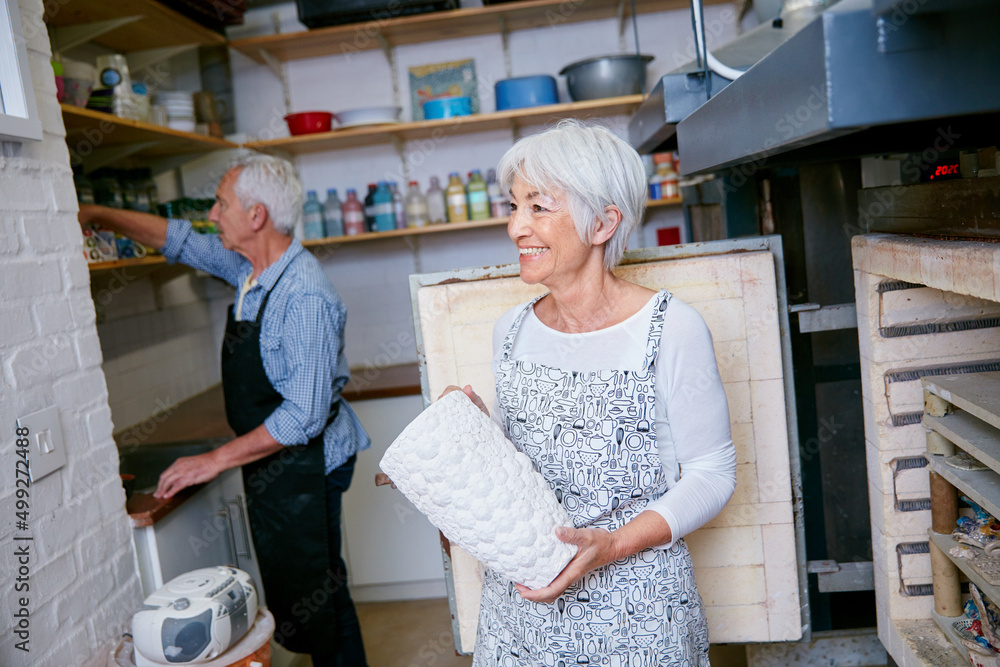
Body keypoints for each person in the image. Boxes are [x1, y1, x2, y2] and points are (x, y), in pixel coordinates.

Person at [449, 120, 737, 665]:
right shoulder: (510, 331)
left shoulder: (670, 327)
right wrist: (466, 440)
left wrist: (614, 544)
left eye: (538, 207)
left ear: (604, 223)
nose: (516, 228)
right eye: (513, 207)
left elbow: (714, 473)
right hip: (523, 616)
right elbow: (520, 477)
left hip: (639, 614)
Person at [78, 155, 370, 667]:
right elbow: (182, 241)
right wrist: (97, 214)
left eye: (221, 203)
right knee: (303, 591)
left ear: (256, 216)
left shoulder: (303, 296)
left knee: (321, 595)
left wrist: (213, 459)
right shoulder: (250, 269)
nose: (212, 214)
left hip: (309, 460)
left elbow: (302, 417)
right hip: (275, 457)